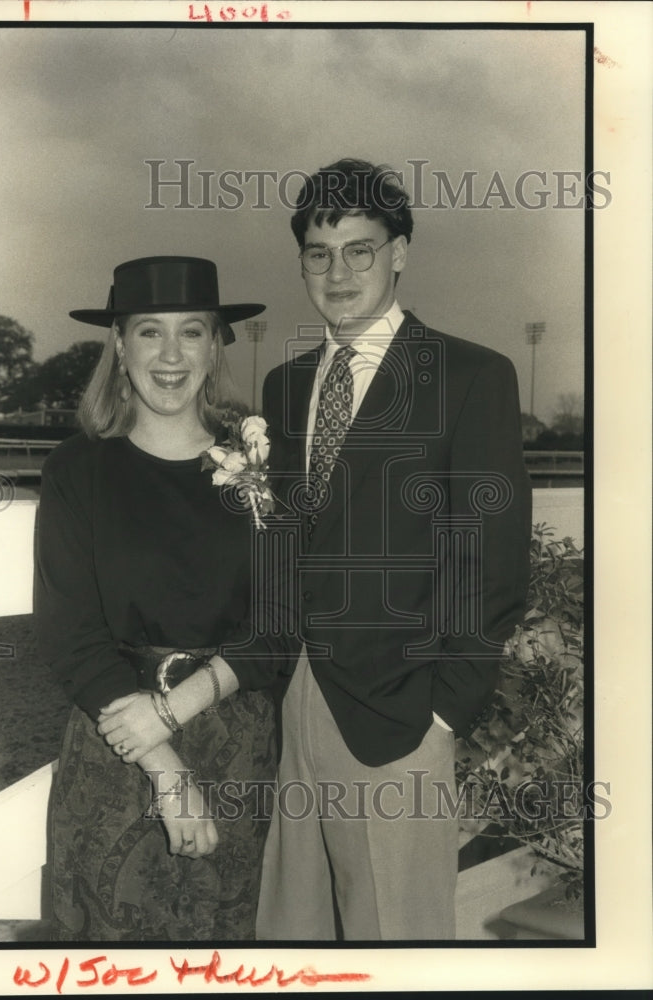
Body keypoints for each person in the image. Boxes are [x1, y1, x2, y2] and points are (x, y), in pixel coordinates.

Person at [254, 158, 533, 940]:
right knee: (291, 933)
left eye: (359, 249)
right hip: (293, 703)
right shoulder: (284, 387)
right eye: (318, 252)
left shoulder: (468, 375)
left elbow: (492, 561)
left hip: (400, 713)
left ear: (399, 252)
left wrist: (444, 708)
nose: (336, 271)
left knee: (396, 940)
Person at [34, 256, 279, 942]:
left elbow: (285, 623)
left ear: (215, 344)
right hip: (119, 735)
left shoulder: (258, 466)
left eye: (192, 332)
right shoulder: (77, 469)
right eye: (149, 332)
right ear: (118, 343)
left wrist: (179, 706)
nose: (171, 355)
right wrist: (163, 765)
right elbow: (69, 632)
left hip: (235, 736)